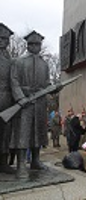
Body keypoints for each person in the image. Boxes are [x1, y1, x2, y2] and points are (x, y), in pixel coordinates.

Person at [10, 30, 50, 178]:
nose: (35, 47)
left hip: (39, 103)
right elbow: (14, 82)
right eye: (32, 44)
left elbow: (47, 83)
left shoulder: (44, 64)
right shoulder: (18, 62)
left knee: (38, 132)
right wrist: (20, 98)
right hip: (24, 103)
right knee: (23, 133)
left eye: (38, 44)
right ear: (28, 45)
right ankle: (21, 165)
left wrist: (54, 87)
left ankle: (35, 160)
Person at [0, 23, 15, 174]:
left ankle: (3, 162)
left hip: (6, 101)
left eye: (5, 39)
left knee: (5, 133)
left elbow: (14, 81)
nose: (2, 41)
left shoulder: (10, 60)